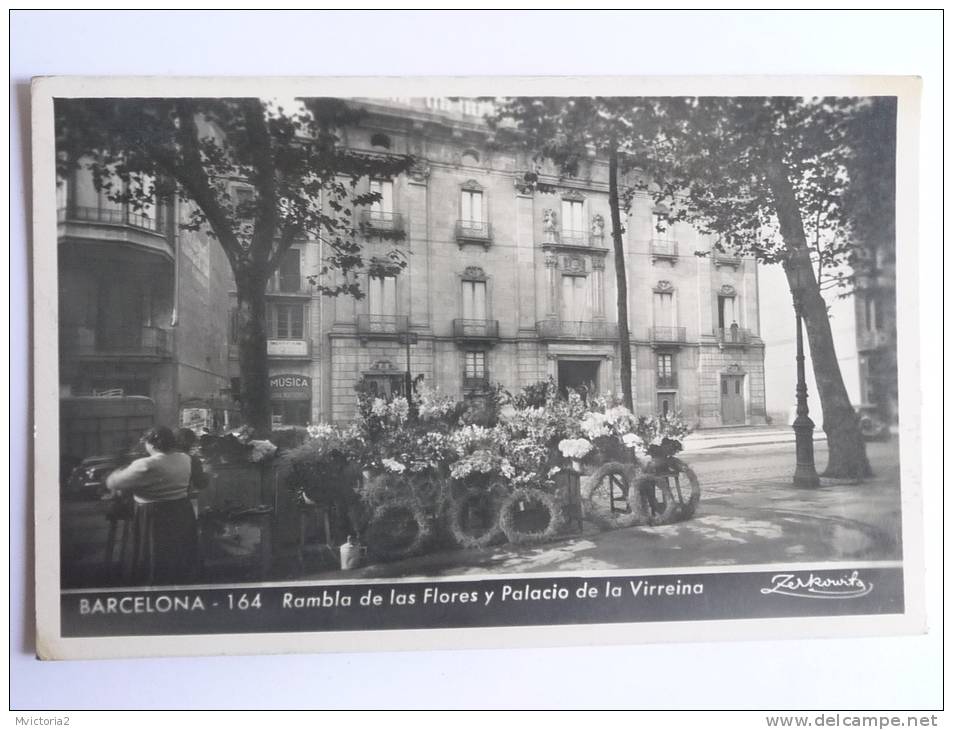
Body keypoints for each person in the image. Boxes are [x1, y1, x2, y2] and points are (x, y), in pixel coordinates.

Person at [105, 426, 198, 585]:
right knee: (177, 553)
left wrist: (119, 471)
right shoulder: (185, 458)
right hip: (181, 510)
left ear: (152, 444)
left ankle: (153, 585)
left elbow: (113, 482)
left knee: (154, 554)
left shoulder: (146, 464)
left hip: (154, 514)